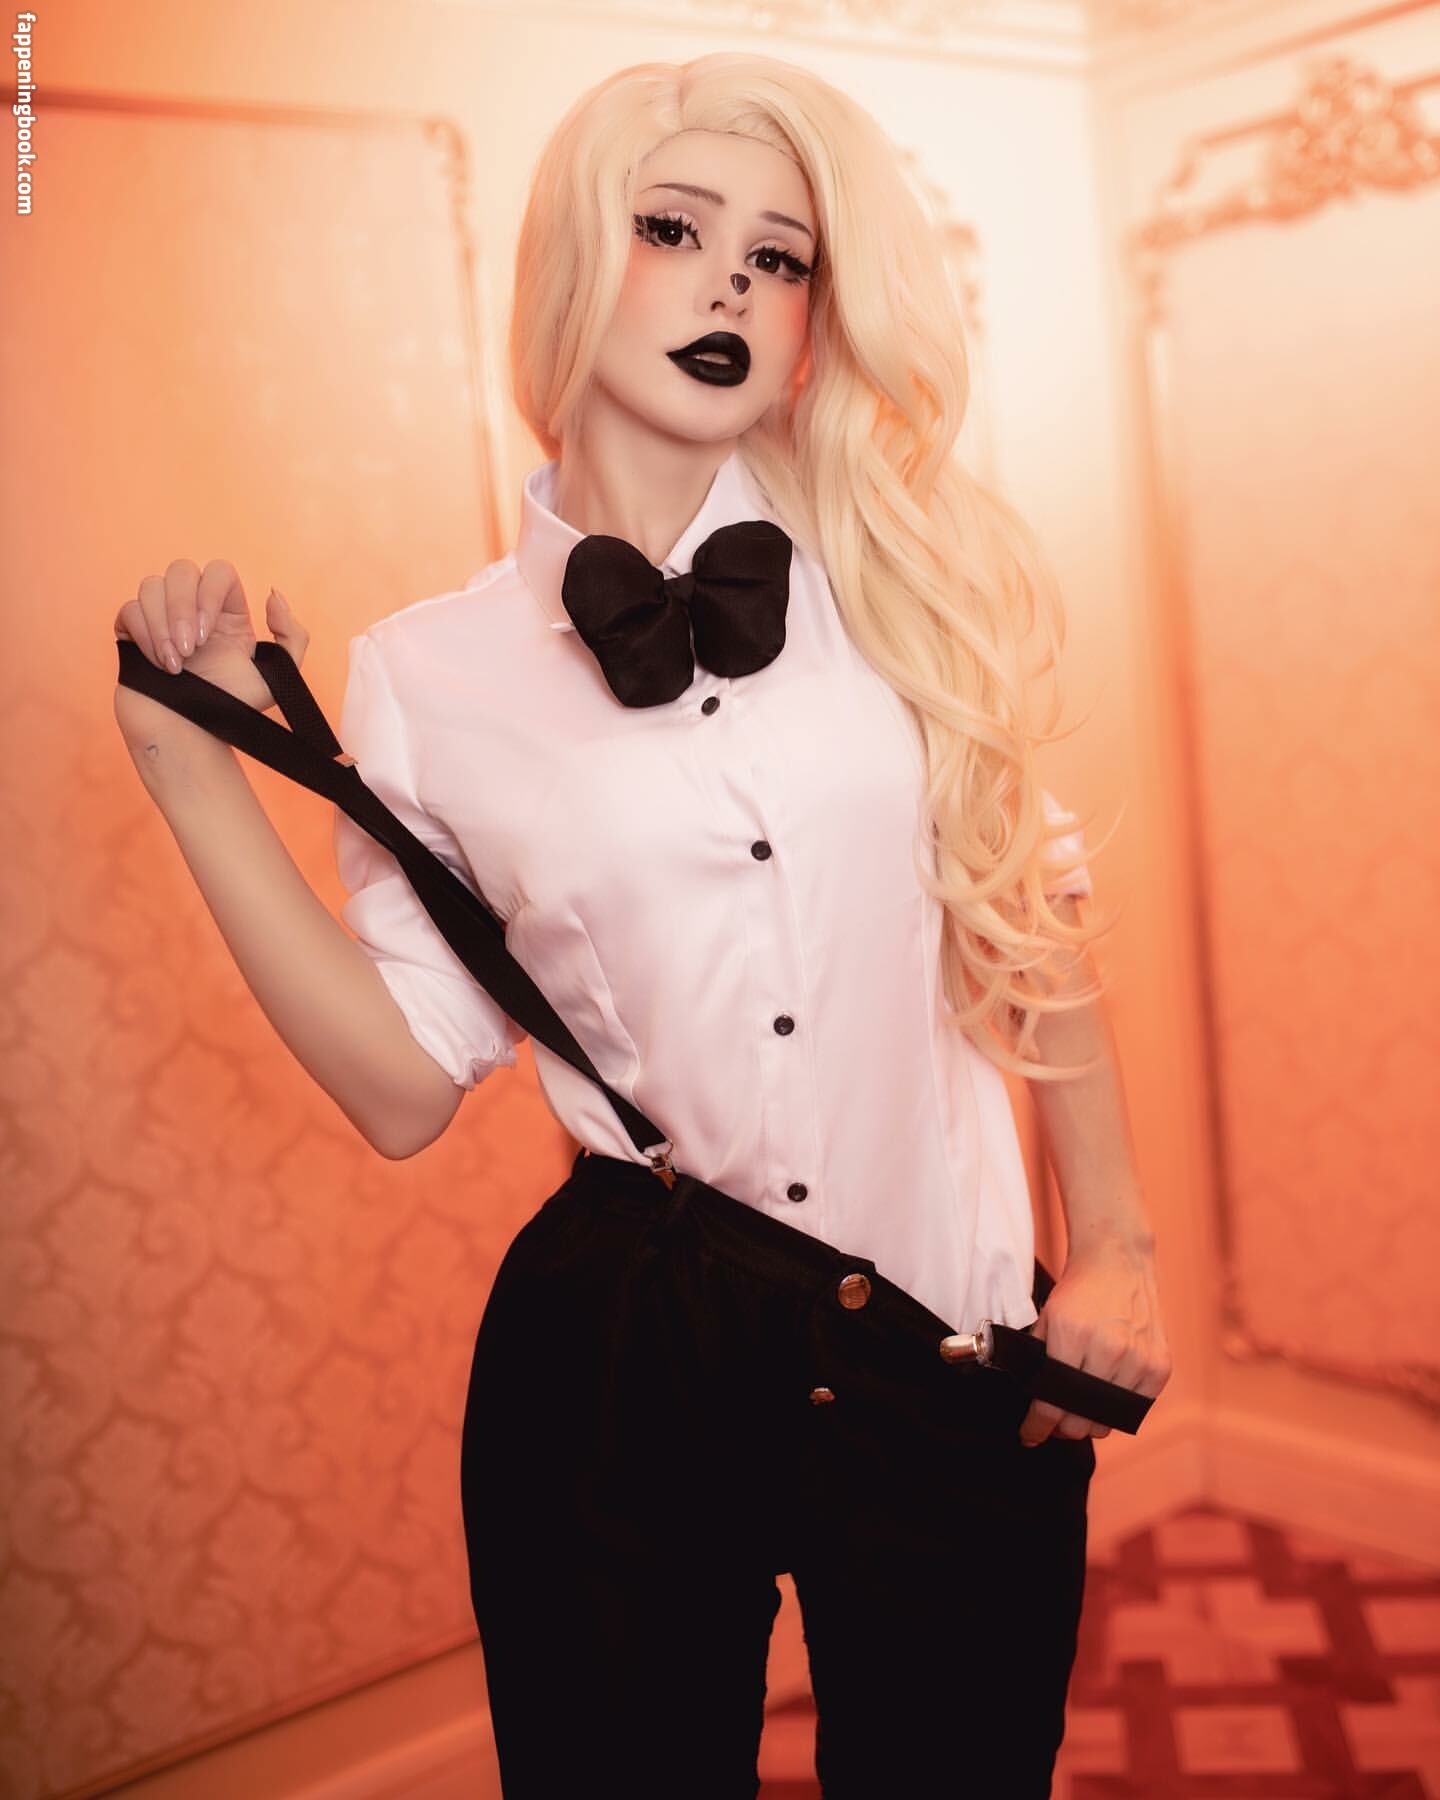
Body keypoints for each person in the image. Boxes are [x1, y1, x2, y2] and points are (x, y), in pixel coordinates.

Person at [112, 50, 1171, 1799]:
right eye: (672, 229)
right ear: (569, 263)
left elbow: (1028, 914)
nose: (728, 285)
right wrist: (191, 772)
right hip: (622, 1358)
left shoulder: (899, 581)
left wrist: (1113, 1243)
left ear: (815, 317)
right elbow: (403, 1087)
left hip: (944, 1336)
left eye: (779, 256)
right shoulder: (425, 673)